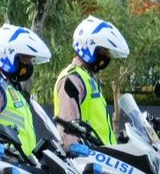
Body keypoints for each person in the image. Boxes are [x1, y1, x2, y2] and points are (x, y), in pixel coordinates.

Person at [0, 23, 52, 156]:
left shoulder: (10, 87)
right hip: (5, 165)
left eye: (30, 60)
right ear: (8, 56)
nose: (28, 65)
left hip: (23, 163)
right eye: (25, 59)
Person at [55, 16, 129, 147]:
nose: (107, 56)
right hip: (88, 157)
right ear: (88, 47)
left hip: (103, 155)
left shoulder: (88, 78)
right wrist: (75, 151)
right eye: (104, 51)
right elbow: (67, 128)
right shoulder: (72, 79)